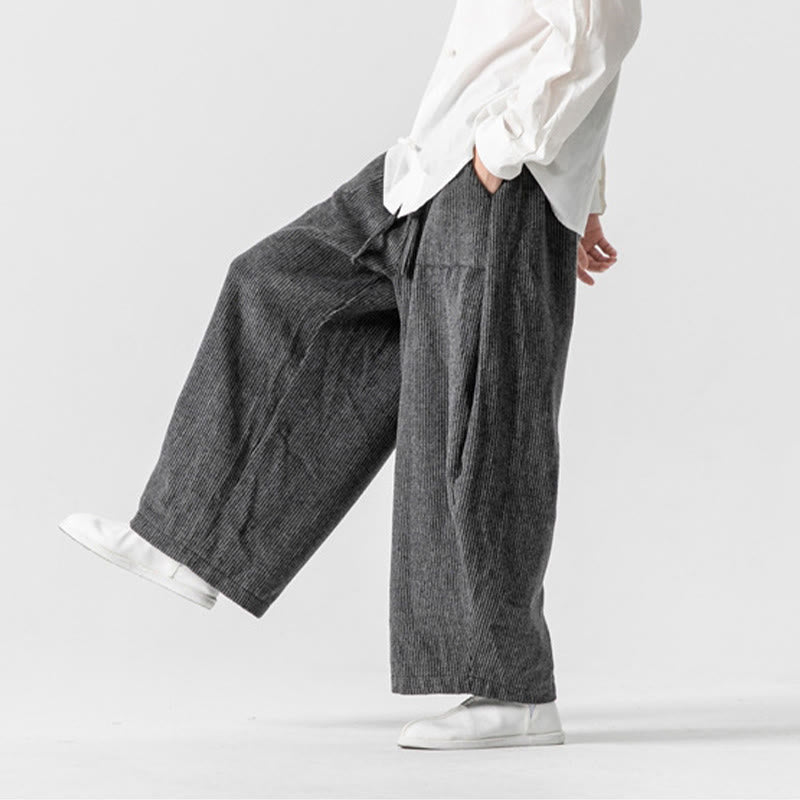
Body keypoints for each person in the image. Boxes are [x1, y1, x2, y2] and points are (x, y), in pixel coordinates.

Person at [59, 0, 642, 750]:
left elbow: (603, 28)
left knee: (472, 424)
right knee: (277, 285)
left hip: (497, 179)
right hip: (431, 166)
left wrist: (509, 152)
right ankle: (192, 540)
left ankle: (516, 695)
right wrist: (579, 187)